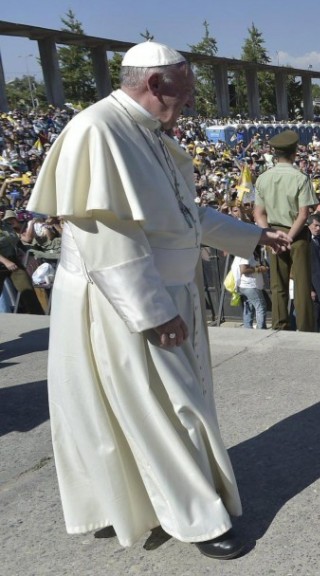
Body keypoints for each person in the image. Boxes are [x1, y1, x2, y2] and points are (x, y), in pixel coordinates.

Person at [26, 41, 291, 559]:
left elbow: (186, 216)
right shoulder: (97, 130)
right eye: (186, 91)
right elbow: (108, 236)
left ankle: (136, 502)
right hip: (123, 300)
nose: (190, 102)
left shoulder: (149, 133)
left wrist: (253, 237)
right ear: (157, 84)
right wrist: (153, 312)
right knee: (165, 408)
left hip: (164, 291)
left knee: (151, 409)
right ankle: (197, 518)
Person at [253, 130, 318, 331]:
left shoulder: (263, 178)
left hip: (273, 232)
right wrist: (288, 238)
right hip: (296, 235)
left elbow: (259, 213)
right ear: (294, 152)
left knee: (277, 284)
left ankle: (279, 325)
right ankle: (305, 327)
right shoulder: (300, 178)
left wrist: (271, 237)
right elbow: (304, 214)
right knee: (302, 285)